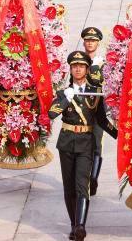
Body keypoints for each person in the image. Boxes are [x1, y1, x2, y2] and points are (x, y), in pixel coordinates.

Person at [48, 50, 116, 240]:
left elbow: (102, 121)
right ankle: (73, 223)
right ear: (70, 69)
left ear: (87, 69)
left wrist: (120, 135)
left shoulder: (95, 93)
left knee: (82, 185)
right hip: (67, 143)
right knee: (69, 188)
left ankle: (80, 226)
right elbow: (51, 114)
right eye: (74, 66)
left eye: (81, 66)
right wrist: (65, 98)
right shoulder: (63, 92)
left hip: (86, 143)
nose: (78, 69)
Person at [79, 27, 107, 196]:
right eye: (88, 40)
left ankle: (93, 178)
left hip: (97, 109)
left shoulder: (103, 63)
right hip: (79, 109)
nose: (90, 43)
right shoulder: (76, 61)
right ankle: (82, 177)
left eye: (93, 40)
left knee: (96, 143)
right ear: (84, 42)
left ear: (98, 43)